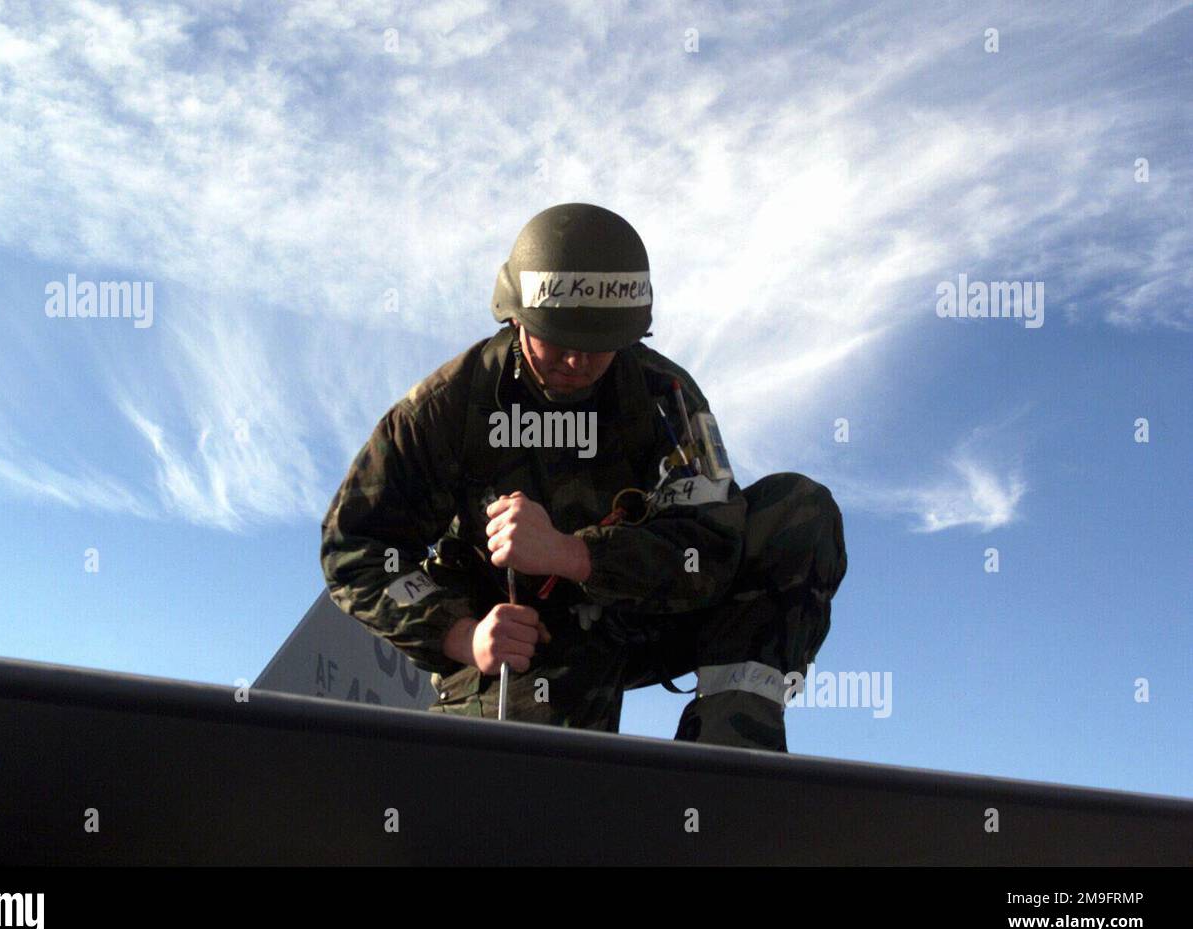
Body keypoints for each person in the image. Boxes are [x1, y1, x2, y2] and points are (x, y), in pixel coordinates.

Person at [322, 203, 846, 752]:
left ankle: (731, 749)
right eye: (560, 339)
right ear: (516, 317)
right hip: (524, 640)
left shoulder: (664, 398)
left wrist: (574, 554)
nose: (578, 362)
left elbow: (711, 547)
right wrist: (463, 636)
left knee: (795, 510)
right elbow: (355, 546)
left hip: (641, 612)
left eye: (599, 345)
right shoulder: (447, 408)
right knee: (533, 799)